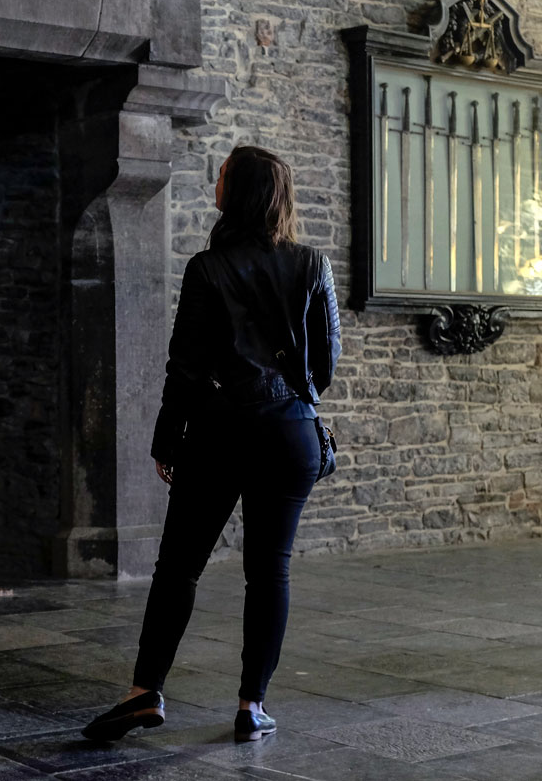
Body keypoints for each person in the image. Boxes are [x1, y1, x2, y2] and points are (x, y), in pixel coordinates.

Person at [81, 144, 341, 744]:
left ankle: (144, 692)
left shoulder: (207, 268)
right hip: (290, 433)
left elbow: (186, 368)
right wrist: (292, 400)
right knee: (269, 572)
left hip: (221, 431)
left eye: (222, 173)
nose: (214, 179)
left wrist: (168, 438)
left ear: (239, 190)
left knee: (178, 568)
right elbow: (325, 363)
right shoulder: (313, 265)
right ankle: (252, 707)